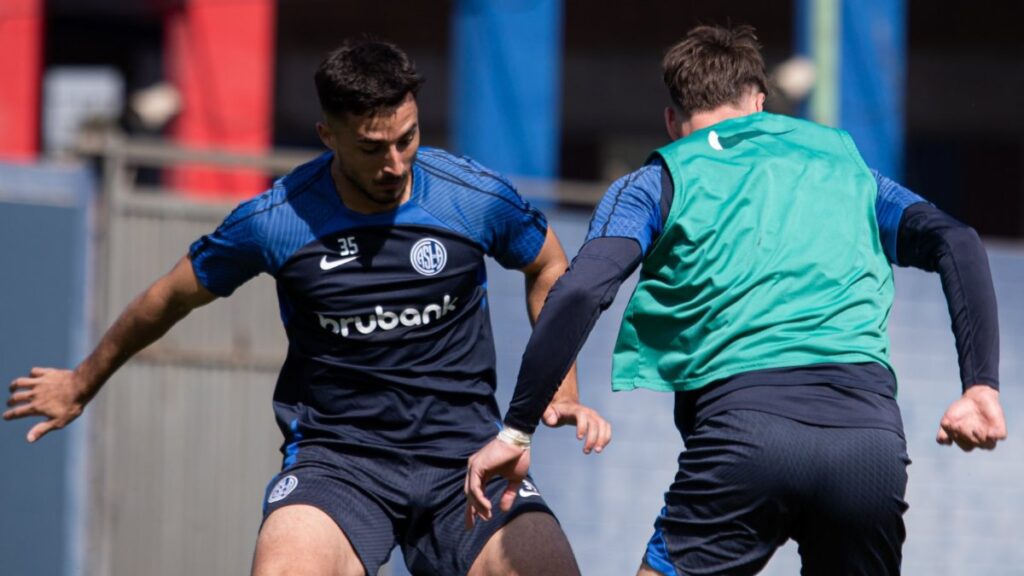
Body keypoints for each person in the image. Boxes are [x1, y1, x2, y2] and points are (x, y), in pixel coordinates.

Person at [4, 39, 611, 576]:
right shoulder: (276, 221)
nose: (396, 164)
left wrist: (559, 385)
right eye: (374, 148)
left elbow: (550, 265)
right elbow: (168, 298)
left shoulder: (471, 198)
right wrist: (82, 381)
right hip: (340, 463)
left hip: (466, 459)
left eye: (408, 139)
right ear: (329, 136)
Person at [465, 24, 1007, 576]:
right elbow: (957, 240)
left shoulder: (660, 179)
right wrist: (980, 384)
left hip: (743, 439)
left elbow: (580, 287)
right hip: (868, 446)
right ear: (760, 102)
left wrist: (518, 427)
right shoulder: (845, 165)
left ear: (673, 120)